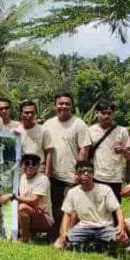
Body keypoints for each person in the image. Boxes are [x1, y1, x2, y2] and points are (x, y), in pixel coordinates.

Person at [53, 161, 130, 252]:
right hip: (84, 227)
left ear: (93, 174)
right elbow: (67, 214)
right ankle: (94, 244)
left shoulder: (105, 189)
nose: (86, 174)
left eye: (89, 171)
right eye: (82, 171)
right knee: (58, 245)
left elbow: (118, 209)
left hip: (104, 226)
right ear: (76, 175)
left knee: (122, 241)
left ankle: (100, 244)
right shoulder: (72, 192)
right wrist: (63, 234)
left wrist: (121, 226)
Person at [42, 91, 92, 236]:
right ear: (55, 105)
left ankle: (69, 236)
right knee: (53, 206)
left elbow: (84, 149)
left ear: (72, 106)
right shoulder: (48, 124)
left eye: (67, 104)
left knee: (69, 208)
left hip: (71, 175)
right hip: (51, 174)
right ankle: (52, 235)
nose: (63, 106)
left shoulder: (79, 124)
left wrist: (80, 172)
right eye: (60, 103)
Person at [0, 153, 52, 242]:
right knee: (11, 207)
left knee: (22, 208)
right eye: (27, 163)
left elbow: (34, 201)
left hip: (44, 218)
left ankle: (24, 238)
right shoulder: (22, 177)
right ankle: (9, 234)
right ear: (22, 165)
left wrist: (12, 196)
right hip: (31, 213)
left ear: (38, 166)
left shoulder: (43, 179)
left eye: (34, 163)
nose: (30, 166)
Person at [88, 100, 130, 200]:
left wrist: (124, 150)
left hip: (115, 178)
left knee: (114, 208)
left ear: (113, 114)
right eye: (103, 113)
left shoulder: (122, 131)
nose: (106, 116)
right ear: (97, 113)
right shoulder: (89, 131)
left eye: (109, 113)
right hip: (96, 176)